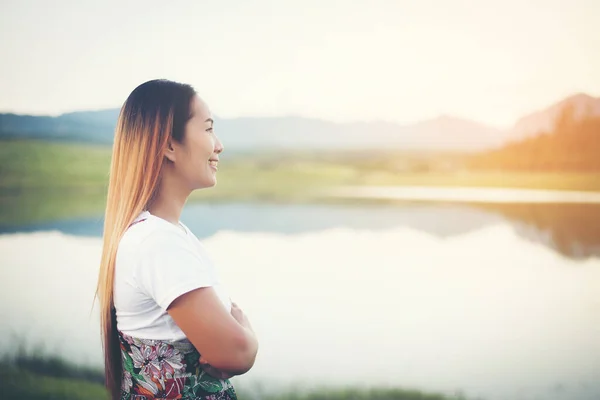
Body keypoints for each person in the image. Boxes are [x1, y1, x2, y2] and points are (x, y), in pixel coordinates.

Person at [95, 79, 258, 400]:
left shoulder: (164, 234)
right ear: (169, 145)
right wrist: (249, 336)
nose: (219, 145)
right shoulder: (157, 243)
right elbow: (236, 353)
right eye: (209, 129)